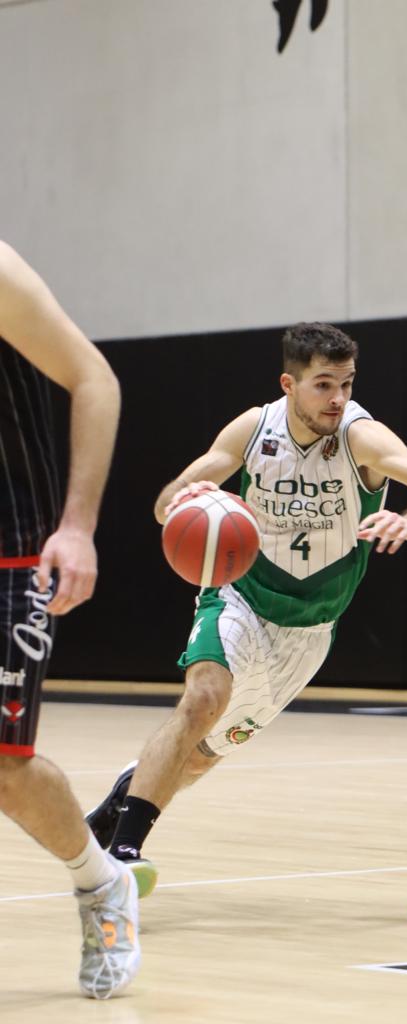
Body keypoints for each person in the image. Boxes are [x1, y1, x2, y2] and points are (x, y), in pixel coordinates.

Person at [87, 321, 407, 896]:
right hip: (239, 594)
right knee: (203, 698)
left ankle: (122, 798)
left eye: (346, 383)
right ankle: (125, 851)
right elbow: (168, 502)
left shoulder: (361, 437)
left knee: (198, 758)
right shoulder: (253, 428)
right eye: (323, 385)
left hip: (310, 629)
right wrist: (186, 502)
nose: (338, 398)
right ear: (289, 384)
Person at [0, 241, 140, 997]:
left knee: (5, 768)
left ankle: (101, 883)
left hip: (12, 545)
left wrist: (77, 525)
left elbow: (95, 379)